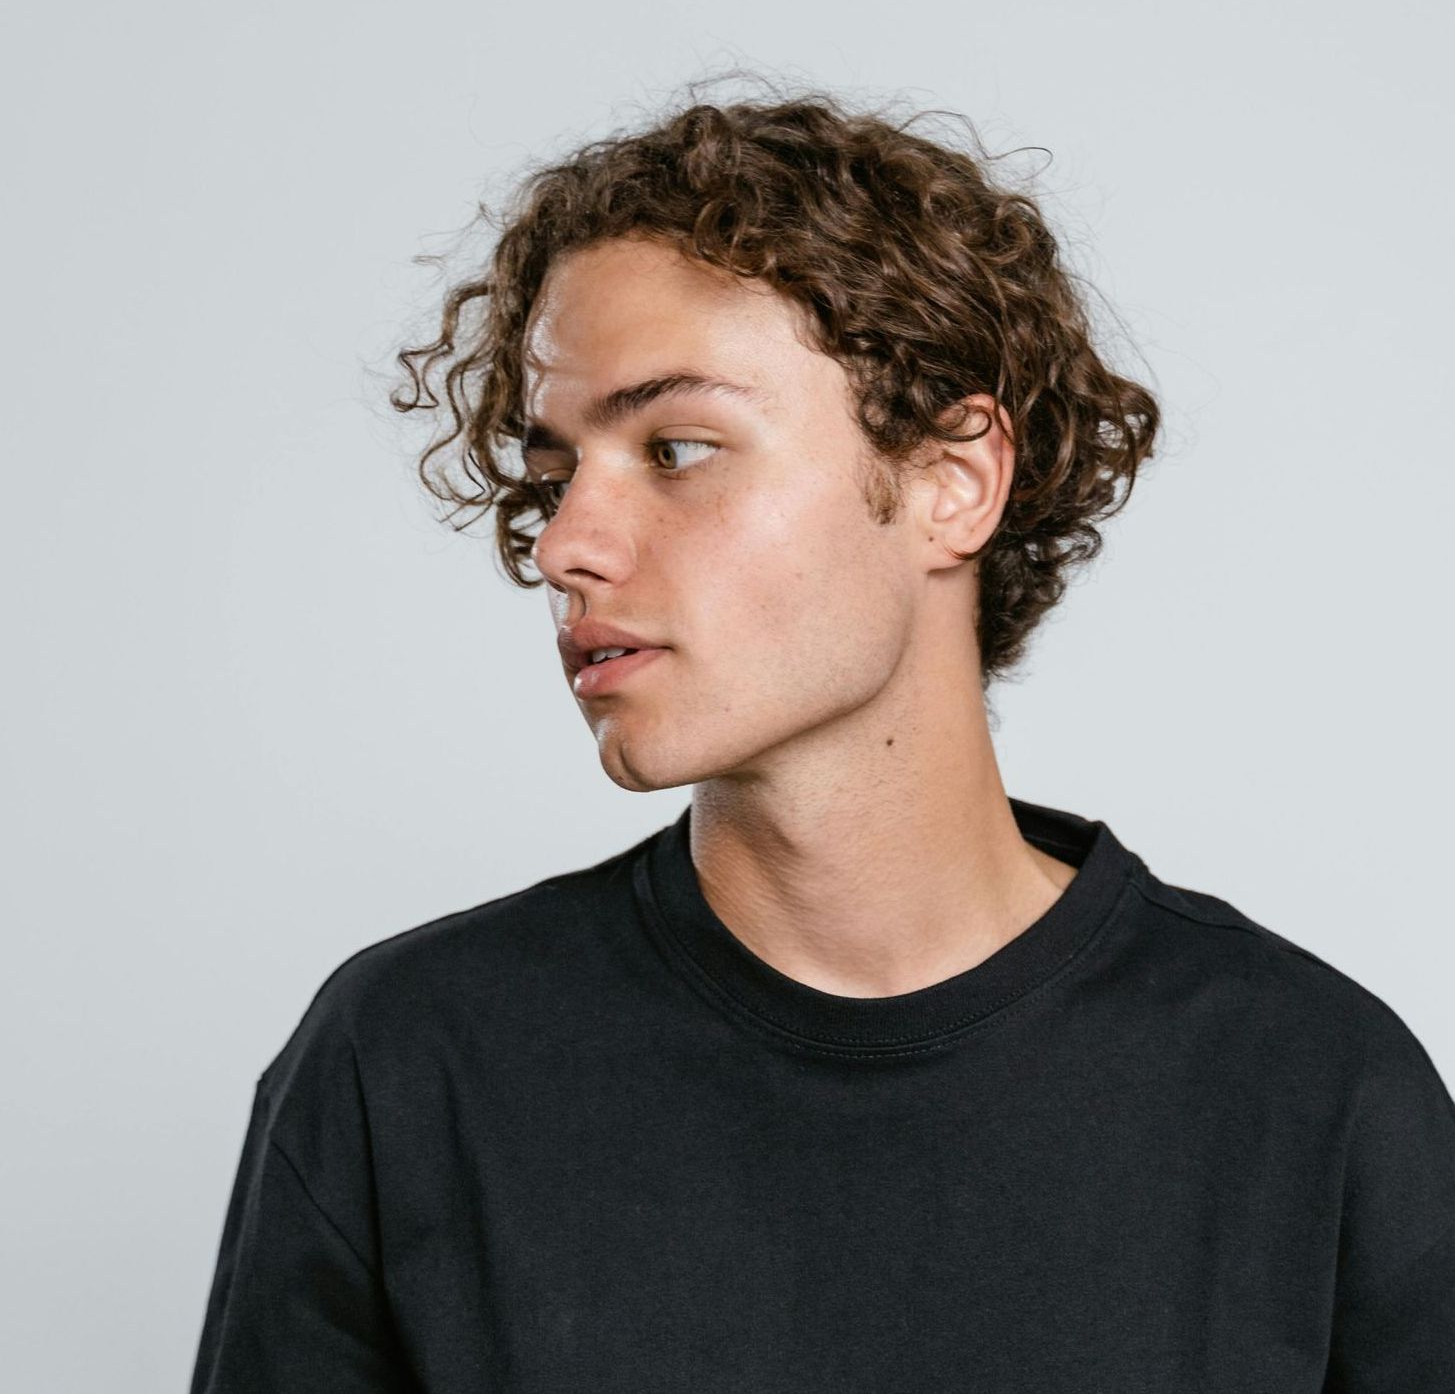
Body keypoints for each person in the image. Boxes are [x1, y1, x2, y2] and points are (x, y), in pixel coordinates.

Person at [189, 82, 1455, 1391]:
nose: (566, 543)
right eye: (556, 470)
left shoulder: (1310, 1090)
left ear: (951, 481)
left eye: (676, 448)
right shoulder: (405, 1067)